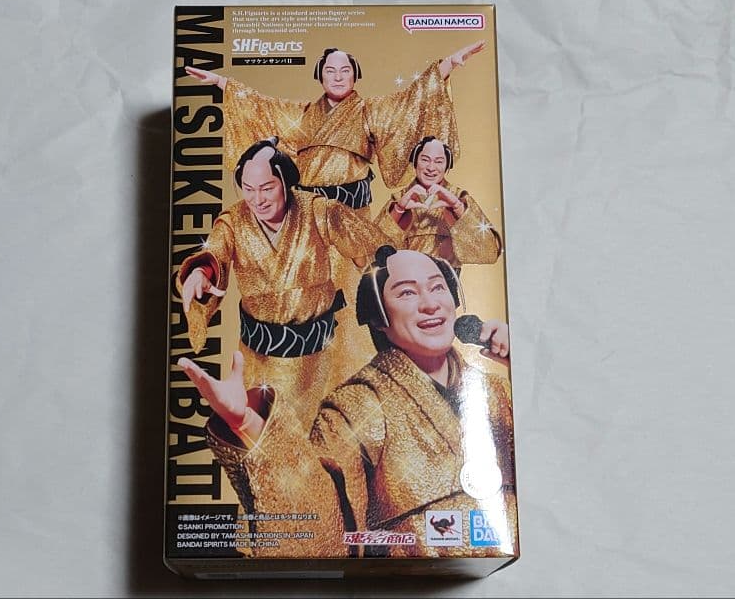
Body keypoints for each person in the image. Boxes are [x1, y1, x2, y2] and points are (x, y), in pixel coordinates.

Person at [178, 246, 517, 558]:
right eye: (407, 293)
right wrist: (247, 421)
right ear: (379, 319)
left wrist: (519, 365)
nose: (431, 304)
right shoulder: (358, 404)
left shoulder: (496, 391)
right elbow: (323, 518)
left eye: (438, 287)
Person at [177, 138, 389, 427]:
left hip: (316, 357)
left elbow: (370, 246)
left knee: (318, 433)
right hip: (259, 356)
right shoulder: (233, 221)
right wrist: (202, 273)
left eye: (267, 188)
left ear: (286, 182)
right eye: (248, 189)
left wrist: (393, 266)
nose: (258, 199)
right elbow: (215, 252)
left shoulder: (317, 210)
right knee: (261, 433)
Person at [184, 42, 485, 212]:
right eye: (330, 71)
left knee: (351, 284)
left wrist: (449, 64)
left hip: (352, 206)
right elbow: (261, 105)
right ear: (321, 76)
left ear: (355, 76)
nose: (338, 77)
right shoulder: (302, 114)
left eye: (345, 70)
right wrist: (222, 82)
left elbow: (412, 97)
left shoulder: (369, 110)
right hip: (307, 208)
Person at [376, 136, 503, 270]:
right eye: (425, 160)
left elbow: (490, 253)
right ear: (415, 161)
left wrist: (457, 207)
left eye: (439, 161)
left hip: (447, 278)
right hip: (407, 277)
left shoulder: (459, 197)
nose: (431, 168)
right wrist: (398, 210)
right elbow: (372, 253)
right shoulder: (399, 199)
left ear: (447, 165)